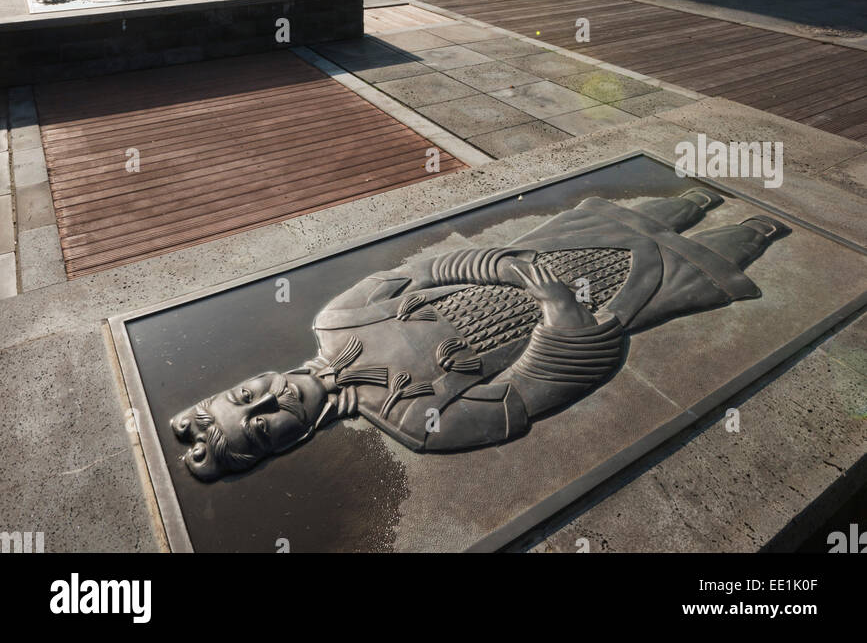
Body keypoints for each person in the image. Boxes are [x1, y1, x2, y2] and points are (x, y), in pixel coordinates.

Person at [171, 189, 788, 479]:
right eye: (260, 424)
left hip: (535, 257)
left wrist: (504, 267)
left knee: (670, 208)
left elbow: (424, 272)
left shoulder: (337, 317)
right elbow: (536, 389)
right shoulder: (418, 426)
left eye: (247, 395)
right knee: (723, 251)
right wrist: (558, 315)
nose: (271, 398)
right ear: (282, 444)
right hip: (595, 306)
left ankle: (697, 197)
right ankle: (760, 231)